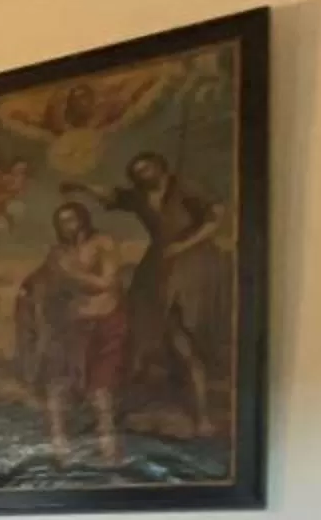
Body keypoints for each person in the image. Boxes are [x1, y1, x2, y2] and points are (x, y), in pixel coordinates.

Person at [66, 150, 226, 440]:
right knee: (141, 325)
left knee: (185, 334)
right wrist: (81, 187)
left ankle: (202, 416)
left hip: (193, 261)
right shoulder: (139, 197)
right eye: (137, 171)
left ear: (160, 167)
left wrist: (185, 244)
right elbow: (111, 196)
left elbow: (216, 217)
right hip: (159, 262)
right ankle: (117, 408)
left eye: (147, 168)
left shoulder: (185, 188)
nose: (143, 174)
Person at [18, 202, 129, 467]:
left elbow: (107, 282)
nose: (67, 226)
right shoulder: (58, 252)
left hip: (106, 323)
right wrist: (28, 288)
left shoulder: (103, 242)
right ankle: (60, 448)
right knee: (57, 384)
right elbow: (43, 276)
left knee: (100, 389)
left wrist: (71, 273)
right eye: (61, 221)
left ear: (83, 218)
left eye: (71, 219)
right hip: (70, 327)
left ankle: (109, 450)